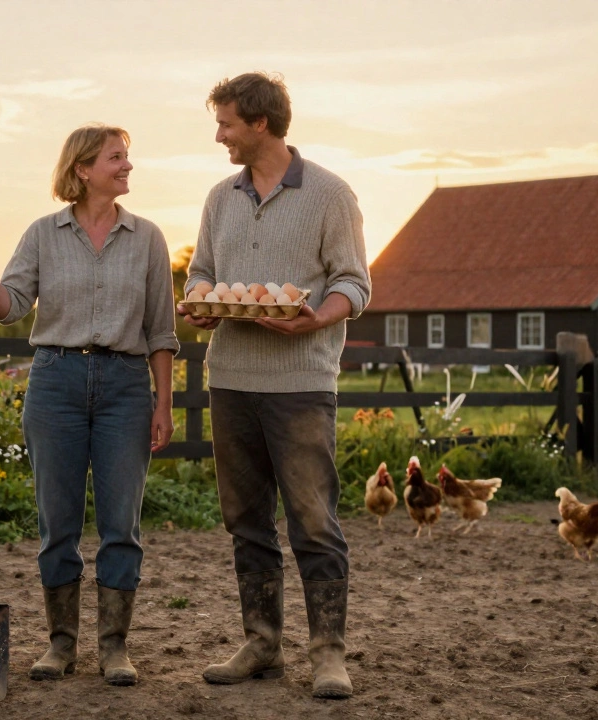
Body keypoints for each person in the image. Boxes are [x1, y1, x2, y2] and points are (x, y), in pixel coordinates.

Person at [0, 124, 178, 687]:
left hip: (126, 385)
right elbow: (9, 307)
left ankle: (114, 649)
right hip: (55, 381)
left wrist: (163, 403)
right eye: (116, 158)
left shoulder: (149, 237)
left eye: (127, 157)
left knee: (120, 524)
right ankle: (61, 645)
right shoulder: (42, 234)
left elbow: (160, 331)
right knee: (57, 522)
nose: (127, 167)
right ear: (83, 169)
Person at [179, 73, 371, 699]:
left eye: (227, 124)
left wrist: (316, 317)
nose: (219, 136)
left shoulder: (330, 195)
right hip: (230, 378)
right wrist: (202, 303)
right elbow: (203, 272)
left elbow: (354, 283)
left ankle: (327, 654)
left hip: (301, 381)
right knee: (245, 519)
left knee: (313, 521)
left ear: (260, 123)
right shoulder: (219, 197)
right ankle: (263, 644)